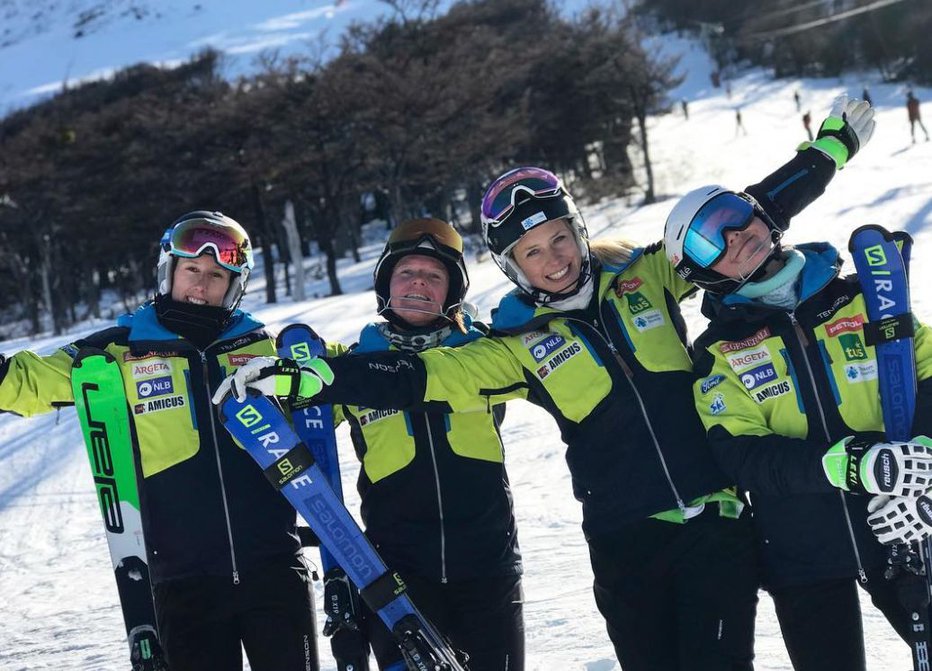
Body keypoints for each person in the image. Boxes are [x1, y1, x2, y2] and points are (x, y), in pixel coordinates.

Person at [215, 96, 875, 671]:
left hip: (717, 525)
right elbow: (423, 374)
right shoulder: (519, 344)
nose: (554, 259)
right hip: (624, 543)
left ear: (578, 231)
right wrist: (323, 378)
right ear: (512, 265)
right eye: (533, 252)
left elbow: (734, 226)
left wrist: (828, 150)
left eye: (560, 238)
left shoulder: (646, 275)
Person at [0, 211, 320, 671]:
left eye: (216, 275)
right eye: (192, 270)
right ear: (169, 270)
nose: (201, 284)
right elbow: (27, 382)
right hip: (182, 580)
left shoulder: (263, 348)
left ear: (235, 284)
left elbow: (332, 380)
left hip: (274, 568)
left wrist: (318, 377)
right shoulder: (117, 351)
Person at [229, 218, 525, 671]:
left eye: (434, 276)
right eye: (406, 273)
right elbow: (273, 434)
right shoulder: (350, 368)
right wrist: (249, 396)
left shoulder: (486, 356)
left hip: (489, 570)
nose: (419, 284)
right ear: (386, 283)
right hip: (397, 579)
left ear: (453, 292)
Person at [663, 181, 932, 667]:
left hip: (903, 521)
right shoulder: (718, 354)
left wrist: (922, 462)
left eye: (736, 215)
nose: (735, 235)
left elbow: (928, 372)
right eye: (710, 241)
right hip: (801, 555)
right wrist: (844, 466)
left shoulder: (861, 298)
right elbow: (743, 455)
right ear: (700, 273)